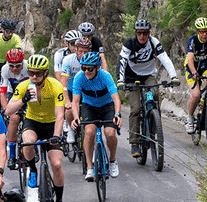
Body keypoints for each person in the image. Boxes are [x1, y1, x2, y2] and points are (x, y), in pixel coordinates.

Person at [4, 55, 67, 202]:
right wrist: (23, 100)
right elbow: (8, 110)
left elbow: (60, 114)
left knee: (57, 164)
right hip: (33, 122)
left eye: (38, 73)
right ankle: (32, 169)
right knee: (27, 142)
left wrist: (56, 136)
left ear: (46, 73)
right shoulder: (24, 86)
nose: (33, 76)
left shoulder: (55, 86)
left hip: (52, 124)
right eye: (31, 72)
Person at [116, 19, 179, 158]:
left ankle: (155, 126)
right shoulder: (129, 43)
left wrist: (173, 76)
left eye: (145, 33)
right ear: (136, 33)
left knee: (154, 95)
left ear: (149, 33)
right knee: (136, 108)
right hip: (131, 79)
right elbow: (121, 62)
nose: (142, 36)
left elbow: (164, 58)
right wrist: (120, 80)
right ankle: (134, 142)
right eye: (139, 33)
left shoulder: (154, 42)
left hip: (148, 75)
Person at [71, 52, 123, 180]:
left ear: (97, 68)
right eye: (84, 68)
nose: (86, 71)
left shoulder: (105, 76)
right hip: (89, 106)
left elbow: (116, 99)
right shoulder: (79, 77)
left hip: (107, 106)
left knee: (110, 133)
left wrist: (117, 114)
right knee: (89, 132)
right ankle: (90, 167)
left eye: (90, 69)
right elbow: (75, 102)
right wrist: (76, 117)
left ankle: (112, 160)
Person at [0, 48, 29, 164]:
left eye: (18, 65)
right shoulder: (5, 69)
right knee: (14, 118)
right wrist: (6, 109)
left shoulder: (28, 67)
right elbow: (3, 92)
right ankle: (12, 155)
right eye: (11, 66)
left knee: (31, 118)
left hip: (29, 93)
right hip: (14, 94)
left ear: (22, 63)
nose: (14, 69)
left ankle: (34, 148)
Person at [60, 37, 91, 144]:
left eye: (85, 52)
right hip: (71, 89)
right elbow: (63, 83)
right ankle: (71, 129)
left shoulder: (92, 60)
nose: (83, 54)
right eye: (80, 51)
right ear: (75, 50)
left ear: (90, 51)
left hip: (85, 90)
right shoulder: (68, 60)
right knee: (69, 110)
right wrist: (67, 101)